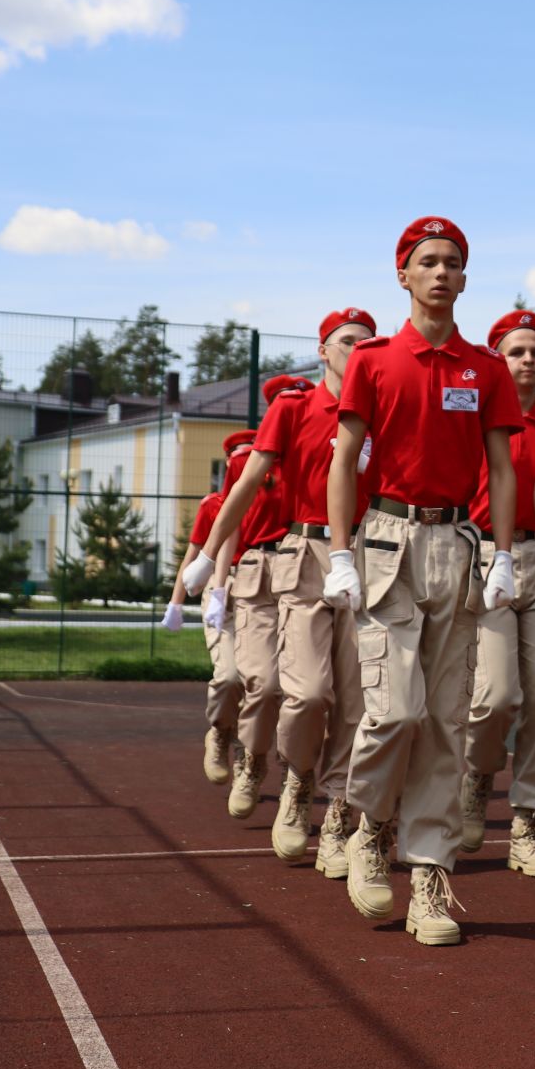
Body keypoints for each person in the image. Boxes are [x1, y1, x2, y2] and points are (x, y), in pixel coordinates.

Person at [324, 217, 523, 946]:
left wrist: (503, 555)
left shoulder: (485, 368)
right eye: (427, 262)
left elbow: (501, 469)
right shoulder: (374, 362)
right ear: (403, 275)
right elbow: (344, 460)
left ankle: (430, 875)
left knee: (447, 722)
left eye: (453, 263)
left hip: (457, 548)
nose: (441, 273)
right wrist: (340, 553)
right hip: (388, 543)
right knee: (395, 712)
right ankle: (372, 826)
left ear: (465, 280)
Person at [195, 310, 378, 866]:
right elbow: (248, 482)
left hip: (373, 555)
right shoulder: (294, 408)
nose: (357, 351)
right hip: (309, 555)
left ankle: (341, 809)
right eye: (347, 342)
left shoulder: (383, 412)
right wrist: (207, 559)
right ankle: (298, 782)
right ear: (323, 350)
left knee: (357, 701)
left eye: (367, 345)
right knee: (307, 693)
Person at [461, 309, 535, 878]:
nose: (529, 360)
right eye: (516, 351)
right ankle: (476, 776)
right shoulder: (478, 423)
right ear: (497, 361)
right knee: (496, 696)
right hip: (488, 558)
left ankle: (527, 825)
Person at [186, 381, 297, 820]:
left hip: (306, 572)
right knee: (245, 680)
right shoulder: (248, 461)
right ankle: (229, 739)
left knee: (304, 693)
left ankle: (293, 778)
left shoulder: (318, 452)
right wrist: (216, 583)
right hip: (253, 574)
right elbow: (233, 520)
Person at [168, 430, 255, 784]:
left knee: (263, 683)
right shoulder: (213, 505)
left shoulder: (273, 498)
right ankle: (221, 731)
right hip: (226, 587)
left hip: (266, 585)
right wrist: (176, 601)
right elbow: (195, 553)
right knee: (229, 676)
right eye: (238, 459)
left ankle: (248, 752)